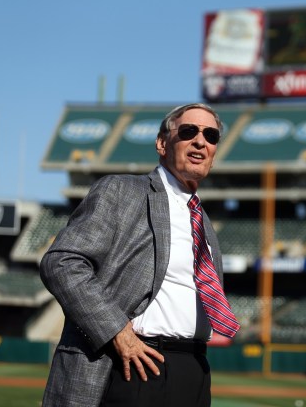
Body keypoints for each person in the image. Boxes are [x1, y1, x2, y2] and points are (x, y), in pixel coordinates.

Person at [40, 103, 239, 407]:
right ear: (162, 144)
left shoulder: (202, 220)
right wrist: (117, 331)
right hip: (135, 364)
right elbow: (62, 262)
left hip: (194, 369)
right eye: (188, 131)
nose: (201, 141)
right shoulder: (121, 191)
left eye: (211, 136)